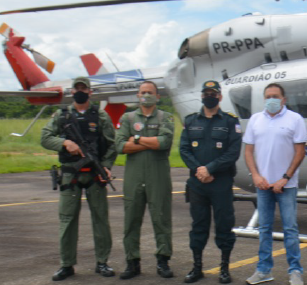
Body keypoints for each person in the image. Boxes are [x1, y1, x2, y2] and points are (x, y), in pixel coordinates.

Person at [40, 76, 117, 281]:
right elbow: (45, 137)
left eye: (84, 88)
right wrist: (65, 143)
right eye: (77, 89)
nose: (80, 91)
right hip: (70, 175)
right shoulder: (61, 115)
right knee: (67, 219)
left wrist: (107, 166)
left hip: (94, 174)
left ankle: (102, 262)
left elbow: (111, 145)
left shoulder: (100, 116)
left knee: (100, 219)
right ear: (72, 92)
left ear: (90, 92)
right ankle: (67, 265)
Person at [243, 83, 307, 285]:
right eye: (268, 96)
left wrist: (285, 178)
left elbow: (300, 152)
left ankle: (295, 271)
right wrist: (255, 175)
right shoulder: (256, 120)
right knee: (264, 229)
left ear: (284, 99)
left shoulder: (295, 119)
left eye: (275, 96)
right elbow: (248, 151)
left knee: (290, 228)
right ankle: (263, 270)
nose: (271, 99)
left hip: (286, 185)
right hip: (263, 185)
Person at [179, 80, 242, 284]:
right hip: (198, 183)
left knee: (224, 225)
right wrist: (199, 170)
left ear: (220, 97)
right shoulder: (190, 121)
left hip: (221, 182)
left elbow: (233, 152)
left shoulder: (230, 122)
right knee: (198, 225)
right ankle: (197, 267)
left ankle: (224, 268)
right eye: (206, 93)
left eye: (213, 94)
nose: (209, 96)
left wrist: (210, 168)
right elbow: (184, 149)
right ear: (201, 95)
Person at [115, 81, 176, 280]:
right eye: (143, 92)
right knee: (131, 219)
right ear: (137, 95)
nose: (146, 95)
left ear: (157, 96)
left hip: (158, 176)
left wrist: (138, 139)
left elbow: (164, 142)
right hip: (134, 177)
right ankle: (132, 262)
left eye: (150, 92)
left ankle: (163, 260)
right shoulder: (128, 117)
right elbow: (121, 146)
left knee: (161, 218)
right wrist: (151, 143)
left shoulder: (165, 117)